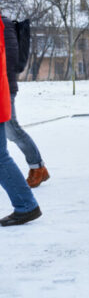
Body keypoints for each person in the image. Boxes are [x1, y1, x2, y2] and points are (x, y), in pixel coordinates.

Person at [0, 14, 41, 226]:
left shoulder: (2, 24)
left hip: (3, 93)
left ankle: (26, 204)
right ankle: (26, 204)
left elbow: (10, 63)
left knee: (1, 154)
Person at [2, 16, 50, 188]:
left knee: (12, 129)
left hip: (4, 87)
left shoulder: (4, 24)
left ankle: (38, 167)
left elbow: (10, 59)